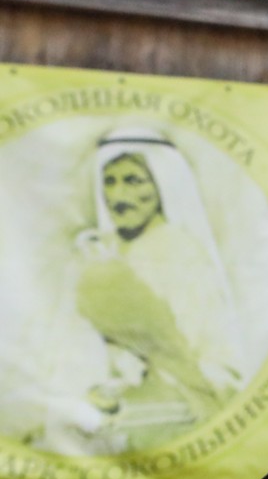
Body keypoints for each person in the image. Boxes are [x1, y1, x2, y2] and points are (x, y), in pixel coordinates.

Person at [71, 127, 242, 450]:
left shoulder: (180, 253)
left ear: (162, 186)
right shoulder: (99, 252)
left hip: (176, 404)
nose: (119, 197)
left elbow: (196, 351)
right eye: (110, 181)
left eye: (133, 181)